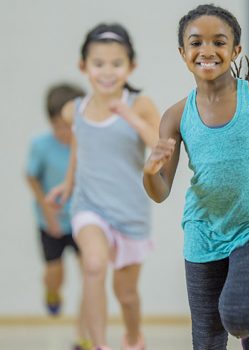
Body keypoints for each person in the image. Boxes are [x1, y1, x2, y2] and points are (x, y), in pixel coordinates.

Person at [142, 4, 249, 350]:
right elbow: (160, 191)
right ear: (183, 53)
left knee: (240, 315)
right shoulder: (176, 116)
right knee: (207, 341)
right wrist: (148, 173)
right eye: (196, 43)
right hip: (203, 230)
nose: (207, 51)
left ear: (235, 50)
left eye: (218, 42)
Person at [47, 23, 160, 350]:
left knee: (126, 295)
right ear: (84, 67)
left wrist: (131, 118)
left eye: (116, 64)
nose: (107, 72)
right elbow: (79, 147)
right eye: (98, 64)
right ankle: (97, 345)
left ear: (131, 66)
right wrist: (68, 184)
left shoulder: (140, 104)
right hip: (89, 207)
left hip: (130, 213)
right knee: (94, 265)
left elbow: (160, 146)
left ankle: (134, 338)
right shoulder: (75, 110)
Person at [26, 83, 91, 350]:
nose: (65, 132)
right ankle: (51, 291)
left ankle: (83, 335)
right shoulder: (41, 145)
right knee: (55, 274)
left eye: (70, 126)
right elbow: (31, 177)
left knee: (91, 274)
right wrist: (47, 213)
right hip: (50, 222)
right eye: (59, 126)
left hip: (81, 219)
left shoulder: (86, 144)